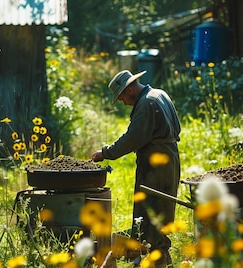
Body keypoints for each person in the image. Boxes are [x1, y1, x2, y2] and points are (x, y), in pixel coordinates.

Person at [91, 70, 181, 267]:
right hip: (170, 160)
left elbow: (133, 138)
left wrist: (105, 153)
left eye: (122, 97)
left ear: (129, 90)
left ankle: (156, 259)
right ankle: (160, 258)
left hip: (156, 165)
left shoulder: (147, 103)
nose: (123, 102)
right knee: (162, 213)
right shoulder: (160, 94)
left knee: (152, 213)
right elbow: (177, 129)